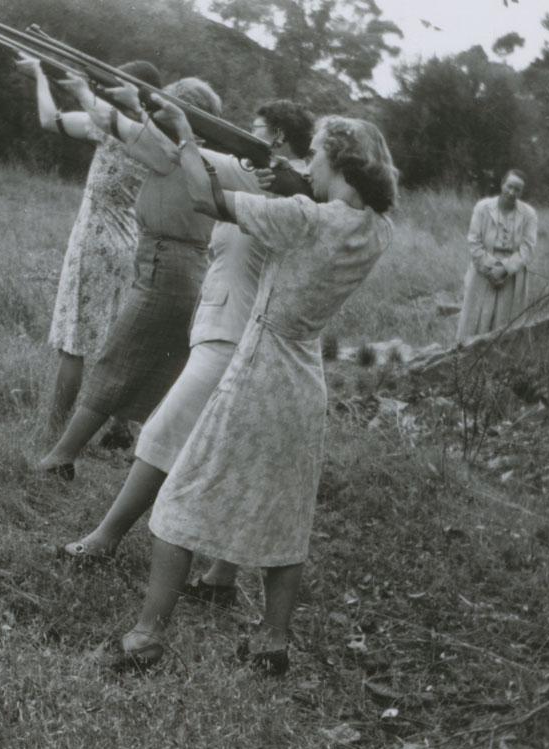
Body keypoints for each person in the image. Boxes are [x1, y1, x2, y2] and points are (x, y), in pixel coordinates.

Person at [114, 105, 397, 675]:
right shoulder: (377, 228)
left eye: (314, 156)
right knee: (285, 515)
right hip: (303, 377)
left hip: (259, 365)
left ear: (338, 161)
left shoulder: (304, 216)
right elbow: (330, 205)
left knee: (179, 500)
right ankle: (272, 642)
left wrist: (187, 139)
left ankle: (145, 639)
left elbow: (204, 198)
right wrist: (301, 182)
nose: (307, 165)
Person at [61, 100, 316, 608]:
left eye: (258, 130)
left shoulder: (290, 187)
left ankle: (105, 539)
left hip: (234, 332)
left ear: (281, 140)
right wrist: (158, 115)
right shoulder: (268, 178)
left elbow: (201, 175)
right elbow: (181, 154)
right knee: (237, 452)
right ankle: (221, 575)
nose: (246, 136)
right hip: (234, 327)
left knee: (162, 434)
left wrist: (183, 131)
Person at [33, 73, 233, 481]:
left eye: (166, 110)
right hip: (178, 263)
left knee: (114, 363)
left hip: (167, 263)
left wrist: (95, 95)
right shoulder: (195, 153)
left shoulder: (174, 152)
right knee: (161, 370)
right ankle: (157, 454)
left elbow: (136, 135)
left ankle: (60, 457)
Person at [17, 54, 163, 447]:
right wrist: (43, 76)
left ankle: (56, 432)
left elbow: (51, 120)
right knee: (113, 344)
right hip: (127, 246)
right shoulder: (154, 137)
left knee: (74, 344)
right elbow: (54, 120)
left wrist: (41, 77)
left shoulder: (110, 129)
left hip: (94, 244)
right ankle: (119, 425)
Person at [455, 169, 538, 342]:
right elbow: (473, 240)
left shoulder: (529, 214)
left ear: (522, 192)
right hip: (482, 270)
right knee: (474, 321)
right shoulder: (483, 207)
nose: (512, 192)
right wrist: (490, 267)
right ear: (502, 185)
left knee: (504, 327)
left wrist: (505, 268)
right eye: (509, 186)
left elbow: (527, 248)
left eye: (517, 189)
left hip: (512, 276)